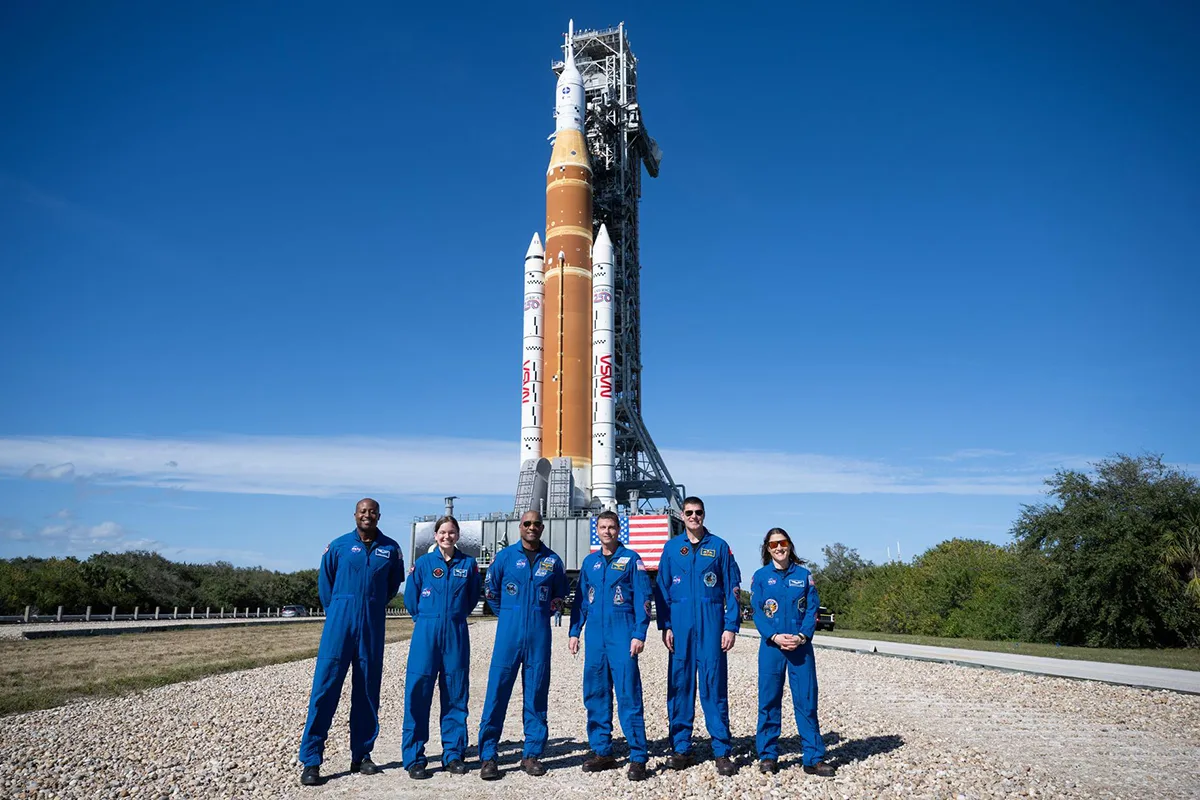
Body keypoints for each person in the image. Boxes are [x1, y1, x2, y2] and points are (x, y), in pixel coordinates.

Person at [299, 498, 405, 786]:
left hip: (371, 625)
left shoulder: (391, 549)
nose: (367, 515)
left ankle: (362, 754)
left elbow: (393, 585)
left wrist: (371, 605)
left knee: (368, 691)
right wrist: (338, 612)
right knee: (324, 690)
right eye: (362, 511)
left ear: (379, 515)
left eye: (372, 511)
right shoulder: (338, 546)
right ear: (355, 515)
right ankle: (311, 760)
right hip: (339, 625)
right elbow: (326, 584)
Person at [477, 509, 568, 780]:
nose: (532, 527)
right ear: (520, 527)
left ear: (542, 528)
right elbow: (491, 591)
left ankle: (531, 754)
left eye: (537, 524)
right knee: (497, 693)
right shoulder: (505, 558)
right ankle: (489, 756)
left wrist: (541, 614)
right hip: (508, 634)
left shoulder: (552, 561)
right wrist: (509, 614)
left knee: (537, 694)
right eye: (527, 523)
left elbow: (559, 594)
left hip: (539, 636)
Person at [655, 496, 742, 776]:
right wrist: (666, 625)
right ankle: (681, 747)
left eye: (698, 512)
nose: (694, 517)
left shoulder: (719, 547)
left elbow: (733, 589)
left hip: (711, 626)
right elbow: (662, 590)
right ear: (682, 515)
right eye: (689, 512)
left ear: (704, 515)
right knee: (680, 687)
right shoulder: (671, 549)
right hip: (680, 628)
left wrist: (730, 626)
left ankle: (721, 750)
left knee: (714, 686)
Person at [568, 510, 652, 782]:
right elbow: (581, 601)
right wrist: (574, 632)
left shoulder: (631, 560)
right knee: (595, 693)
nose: (607, 532)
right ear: (598, 530)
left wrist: (639, 633)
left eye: (612, 527)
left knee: (628, 694)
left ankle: (638, 755)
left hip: (622, 632)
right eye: (603, 527)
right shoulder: (590, 562)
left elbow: (643, 599)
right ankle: (602, 750)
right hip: (595, 636)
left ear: (619, 530)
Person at [401, 515, 482, 779]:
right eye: (442, 532)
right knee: (418, 693)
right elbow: (411, 599)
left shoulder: (468, 564)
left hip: (456, 632)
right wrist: (426, 619)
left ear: (458, 535)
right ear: (435, 536)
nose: (447, 536)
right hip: (426, 632)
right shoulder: (423, 564)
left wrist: (453, 616)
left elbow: (471, 598)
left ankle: (454, 754)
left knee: (456, 694)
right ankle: (414, 757)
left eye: (452, 532)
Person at [750, 527, 835, 777]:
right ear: (767, 548)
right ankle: (767, 755)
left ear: (790, 545)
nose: (779, 547)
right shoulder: (761, 577)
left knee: (807, 702)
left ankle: (813, 757)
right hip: (771, 647)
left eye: (783, 542)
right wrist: (774, 636)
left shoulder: (804, 576)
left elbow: (812, 610)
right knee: (768, 701)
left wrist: (801, 636)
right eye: (774, 543)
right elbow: (756, 611)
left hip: (800, 647)